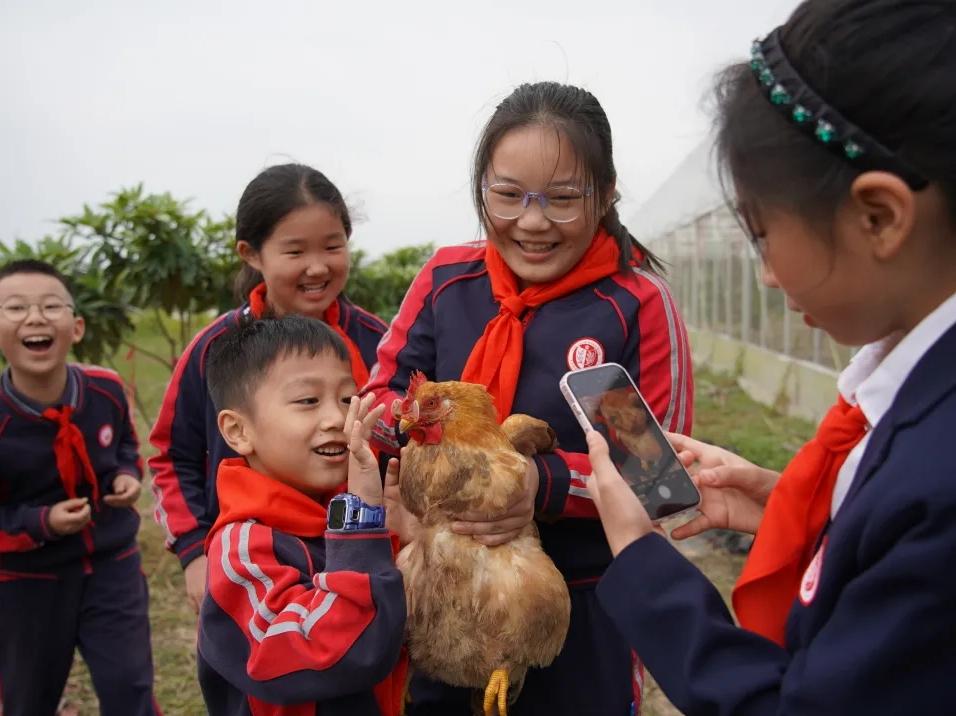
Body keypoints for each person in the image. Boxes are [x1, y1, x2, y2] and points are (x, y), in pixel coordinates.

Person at [585, 1, 956, 712]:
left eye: (760, 236)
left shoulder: (940, 482)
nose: (765, 276)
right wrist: (804, 510)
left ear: (878, 215)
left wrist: (641, 560)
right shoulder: (917, 413)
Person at [365, 81, 693, 715]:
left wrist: (535, 485)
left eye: (564, 199)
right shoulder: (446, 283)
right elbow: (383, 397)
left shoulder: (629, 307)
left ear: (608, 194)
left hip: (582, 596)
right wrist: (407, 450)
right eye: (508, 196)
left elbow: (657, 479)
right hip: (448, 588)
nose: (533, 221)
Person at [150, 164, 388, 613]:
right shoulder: (216, 349)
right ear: (252, 253)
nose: (318, 267)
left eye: (333, 246)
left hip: (362, 555)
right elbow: (171, 454)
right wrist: (194, 553)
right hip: (249, 572)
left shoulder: (381, 343)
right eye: (295, 251)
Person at [198, 315, 406, 716]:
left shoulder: (343, 513)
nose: (336, 420)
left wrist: (401, 543)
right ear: (238, 431)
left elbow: (395, 640)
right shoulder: (242, 547)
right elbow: (337, 652)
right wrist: (361, 524)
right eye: (307, 401)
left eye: (348, 399)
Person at [0, 260, 159, 715]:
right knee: (27, 696)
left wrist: (126, 476)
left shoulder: (104, 390)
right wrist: (41, 521)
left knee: (129, 687)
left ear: (77, 327)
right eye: (15, 308)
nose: (35, 317)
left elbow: (126, 446)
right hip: (24, 579)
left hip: (112, 563)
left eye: (51, 306)